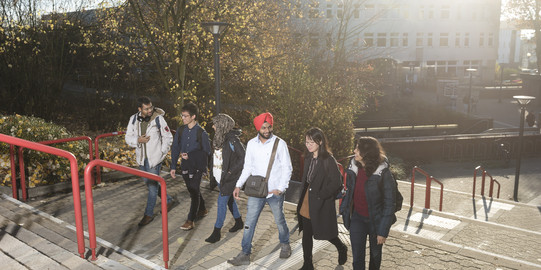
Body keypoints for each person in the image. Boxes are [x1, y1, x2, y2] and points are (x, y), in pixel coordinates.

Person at [227, 112, 293, 266]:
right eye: (264, 127)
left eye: (269, 126)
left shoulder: (279, 143)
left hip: (274, 192)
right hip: (256, 192)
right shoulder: (251, 144)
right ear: (258, 128)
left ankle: (285, 244)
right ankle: (245, 253)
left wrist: (281, 188)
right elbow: (247, 167)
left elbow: (287, 168)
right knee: (249, 222)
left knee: (279, 220)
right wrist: (238, 184)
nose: (267, 130)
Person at [340, 136, 397, 270]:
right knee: (357, 258)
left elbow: (390, 204)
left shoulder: (383, 173)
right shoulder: (353, 166)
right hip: (357, 218)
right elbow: (349, 190)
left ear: (367, 152)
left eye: (357, 149)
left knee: (375, 257)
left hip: (376, 222)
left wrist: (383, 231)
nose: (354, 151)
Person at [296, 127, 348, 270]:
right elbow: (306, 179)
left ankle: (341, 247)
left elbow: (337, 182)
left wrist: (322, 194)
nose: (308, 145)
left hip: (321, 202)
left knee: (326, 232)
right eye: (306, 142)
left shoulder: (328, 159)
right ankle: (308, 265)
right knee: (307, 234)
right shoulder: (308, 157)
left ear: (320, 141)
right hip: (307, 200)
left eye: (311, 142)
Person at [125, 96, 175, 226]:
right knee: (150, 184)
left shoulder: (159, 119)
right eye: (146, 108)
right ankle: (168, 200)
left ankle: (148, 214)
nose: (150, 110)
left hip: (154, 160)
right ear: (139, 109)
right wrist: (137, 140)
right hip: (141, 159)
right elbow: (127, 137)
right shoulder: (133, 119)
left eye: (151, 107)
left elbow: (168, 137)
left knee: (152, 189)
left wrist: (161, 153)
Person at [170, 102, 211, 231]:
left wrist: (193, 157)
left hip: (197, 166)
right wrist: (172, 166)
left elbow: (207, 152)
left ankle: (190, 220)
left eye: (185, 116)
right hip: (185, 165)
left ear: (193, 117)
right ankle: (203, 209)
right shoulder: (181, 130)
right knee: (192, 189)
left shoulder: (201, 133)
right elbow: (175, 148)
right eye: (182, 116)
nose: (183, 118)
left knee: (193, 190)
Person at [205, 113, 245, 243]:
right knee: (229, 201)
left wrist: (230, 172)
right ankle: (239, 222)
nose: (213, 126)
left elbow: (243, 158)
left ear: (222, 125)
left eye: (215, 124)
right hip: (219, 177)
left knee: (221, 202)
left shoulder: (233, 140)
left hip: (229, 178)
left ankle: (216, 232)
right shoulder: (218, 138)